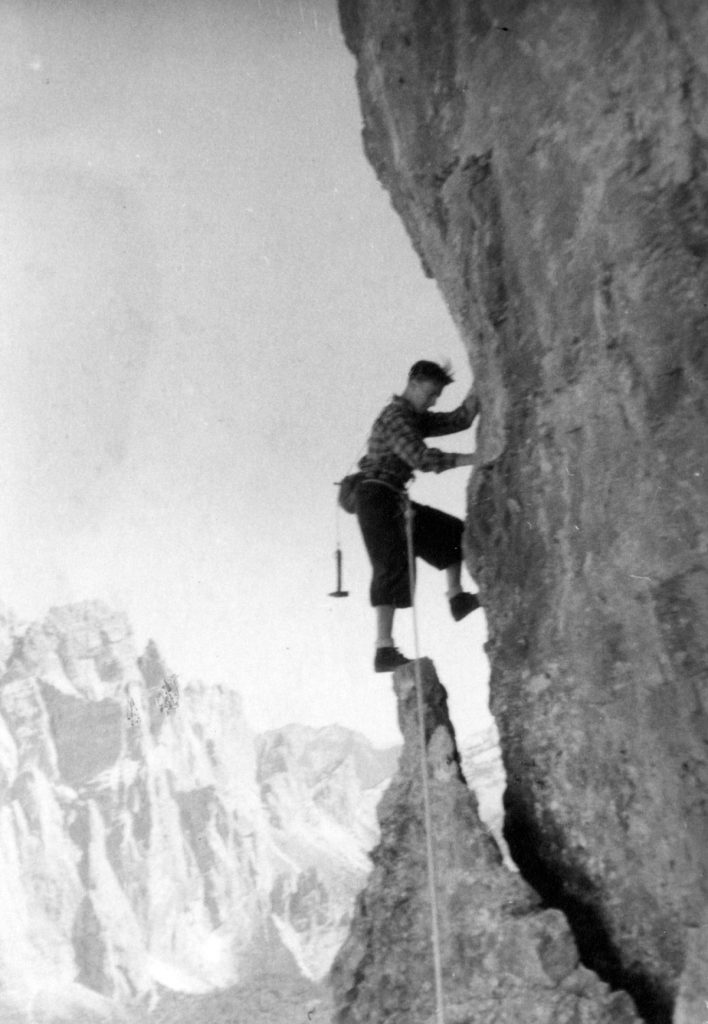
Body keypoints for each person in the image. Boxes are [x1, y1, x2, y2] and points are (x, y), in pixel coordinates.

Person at [355, 360, 481, 673]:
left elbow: (459, 420)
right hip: (375, 497)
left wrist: (481, 381)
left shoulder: (413, 417)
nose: (434, 401)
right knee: (391, 565)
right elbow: (421, 459)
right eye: (431, 393)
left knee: (453, 533)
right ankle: (383, 649)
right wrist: (475, 459)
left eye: (437, 395)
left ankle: (457, 598)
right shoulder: (397, 417)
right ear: (412, 385)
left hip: (392, 497)